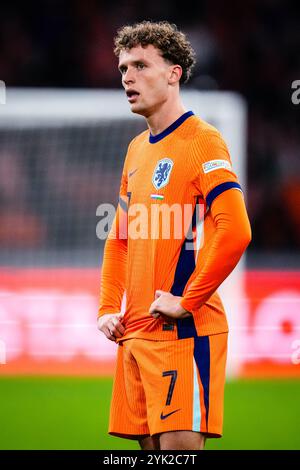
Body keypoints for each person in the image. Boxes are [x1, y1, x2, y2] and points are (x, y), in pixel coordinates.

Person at [97, 21, 251, 451]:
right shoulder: (136, 150)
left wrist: (188, 300)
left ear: (174, 73)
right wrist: (110, 306)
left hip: (182, 336)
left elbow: (236, 229)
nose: (127, 76)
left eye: (141, 65)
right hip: (135, 333)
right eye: (123, 67)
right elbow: (120, 239)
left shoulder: (203, 141)